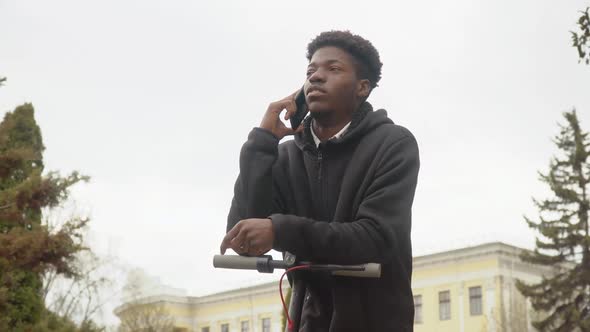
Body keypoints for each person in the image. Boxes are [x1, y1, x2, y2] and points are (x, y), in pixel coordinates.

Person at [220, 30, 420, 331]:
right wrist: (261, 144)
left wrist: (279, 230)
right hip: (310, 321)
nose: (316, 77)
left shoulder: (393, 144)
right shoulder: (285, 157)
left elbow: (375, 237)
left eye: (333, 69)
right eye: (310, 71)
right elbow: (244, 239)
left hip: (375, 321)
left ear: (362, 87)